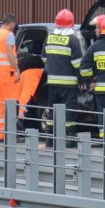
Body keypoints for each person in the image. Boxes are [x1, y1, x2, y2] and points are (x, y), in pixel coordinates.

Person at [42, 9, 82, 147]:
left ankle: (50, 139)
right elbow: (77, 64)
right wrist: (82, 81)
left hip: (52, 82)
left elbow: (44, 59)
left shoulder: (49, 38)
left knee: (52, 110)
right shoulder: (73, 40)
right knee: (69, 111)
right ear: (71, 23)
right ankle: (69, 140)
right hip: (69, 83)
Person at [0, 12, 21, 140]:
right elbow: (10, 54)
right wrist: (17, 70)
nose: (13, 27)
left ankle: (1, 133)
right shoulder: (9, 35)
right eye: (13, 25)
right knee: (11, 103)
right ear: (10, 23)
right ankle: (11, 134)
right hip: (8, 73)